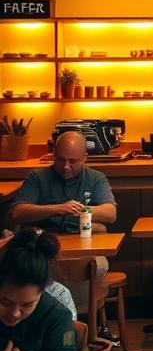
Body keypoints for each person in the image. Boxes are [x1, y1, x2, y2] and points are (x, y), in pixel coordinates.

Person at [10, 131, 117, 318]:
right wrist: (57, 208)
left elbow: (110, 213)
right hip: (45, 248)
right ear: (53, 154)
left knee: (93, 265)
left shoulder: (95, 178)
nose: (66, 166)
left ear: (85, 158)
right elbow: (17, 212)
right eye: (60, 160)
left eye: (73, 161)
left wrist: (81, 210)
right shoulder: (38, 177)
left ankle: (73, 323)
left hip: (83, 248)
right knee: (43, 266)